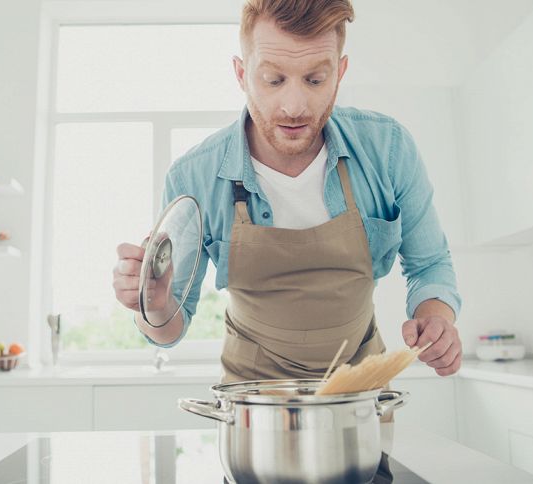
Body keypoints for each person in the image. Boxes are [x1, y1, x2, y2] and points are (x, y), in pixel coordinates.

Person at [113, 0, 462, 392]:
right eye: (273, 80)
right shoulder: (193, 177)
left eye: (314, 80)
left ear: (339, 73)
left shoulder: (388, 149)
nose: (294, 106)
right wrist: (156, 306)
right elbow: (168, 330)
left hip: (361, 398)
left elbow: (430, 264)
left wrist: (436, 318)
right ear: (242, 74)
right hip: (254, 407)